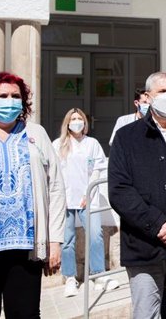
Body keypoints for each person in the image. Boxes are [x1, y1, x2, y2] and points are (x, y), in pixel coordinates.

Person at [0, 72, 66, 318]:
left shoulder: (36, 134)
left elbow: (56, 188)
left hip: (26, 247)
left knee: (25, 314)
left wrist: (55, 242)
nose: (9, 101)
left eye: (15, 96)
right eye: (2, 96)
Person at [108, 72, 166, 318]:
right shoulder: (127, 136)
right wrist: (158, 224)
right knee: (146, 313)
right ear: (147, 97)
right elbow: (119, 190)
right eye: (162, 91)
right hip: (144, 243)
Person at [52, 108, 117, 297]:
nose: (76, 122)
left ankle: (98, 275)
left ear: (85, 122)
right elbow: (54, 173)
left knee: (95, 235)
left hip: (88, 198)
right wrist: (59, 196)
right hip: (64, 199)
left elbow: (98, 168)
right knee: (67, 240)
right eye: (73, 119)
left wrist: (88, 193)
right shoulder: (58, 144)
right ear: (67, 123)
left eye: (79, 118)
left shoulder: (92, 143)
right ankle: (70, 277)